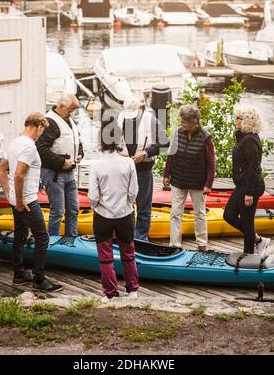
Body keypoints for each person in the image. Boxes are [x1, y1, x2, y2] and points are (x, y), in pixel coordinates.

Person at [0, 112, 63, 292]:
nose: (41, 134)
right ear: (38, 127)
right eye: (41, 130)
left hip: (16, 199)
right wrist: (19, 201)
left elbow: (1, 168)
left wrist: (7, 192)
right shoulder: (28, 147)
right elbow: (18, 174)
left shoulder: (15, 142)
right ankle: (39, 280)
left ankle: (19, 275)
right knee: (43, 237)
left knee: (20, 235)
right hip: (27, 200)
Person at [89, 124, 139, 302]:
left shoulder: (96, 164)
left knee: (105, 257)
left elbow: (93, 196)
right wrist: (125, 204)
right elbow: (133, 192)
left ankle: (109, 293)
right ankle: (132, 289)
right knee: (128, 253)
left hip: (102, 215)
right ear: (119, 139)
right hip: (125, 214)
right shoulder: (129, 162)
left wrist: (98, 206)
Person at [163, 104, 216, 251]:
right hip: (178, 180)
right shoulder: (178, 133)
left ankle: (202, 243)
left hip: (198, 182)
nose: (181, 123)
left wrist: (208, 184)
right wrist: (167, 174)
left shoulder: (206, 137)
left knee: (199, 213)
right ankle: (175, 244)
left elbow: (212, 162)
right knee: (175, 213)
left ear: (194, 122)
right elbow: (171, 154)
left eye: (184, 121)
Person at [117, 95, 168, 241]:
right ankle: (127, 236)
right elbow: (110, 143)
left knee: (143, 206)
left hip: (143, 169)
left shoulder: (150, 120)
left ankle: (141, 237)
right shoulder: (119, 119)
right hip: (123, 169)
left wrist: (145, 153)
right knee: (123, 205)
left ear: (140, 108)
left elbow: (164, 143)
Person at [224, 106, 270, 255]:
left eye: (239, 118)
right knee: (229, 215)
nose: (236, 120)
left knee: (247, 222)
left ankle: (249, 255)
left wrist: (249, 193)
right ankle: (259, 240)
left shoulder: (250, 141)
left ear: (247, 121)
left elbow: (253, 168)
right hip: (242, 185)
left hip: (250, 186)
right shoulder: (244, 137)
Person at [36, 94, 84, 237]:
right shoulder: (50, 122)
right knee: (57, 211)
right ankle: (53, 243)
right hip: (54, 174)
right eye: (70, 110)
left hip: (70, 173)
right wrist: (62, 162)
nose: (72, 114)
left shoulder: (68, 120)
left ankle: (72, 240)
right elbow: (40, 149)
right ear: (61, 106)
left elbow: (77, 140)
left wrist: (80, 152)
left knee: (74, 209)